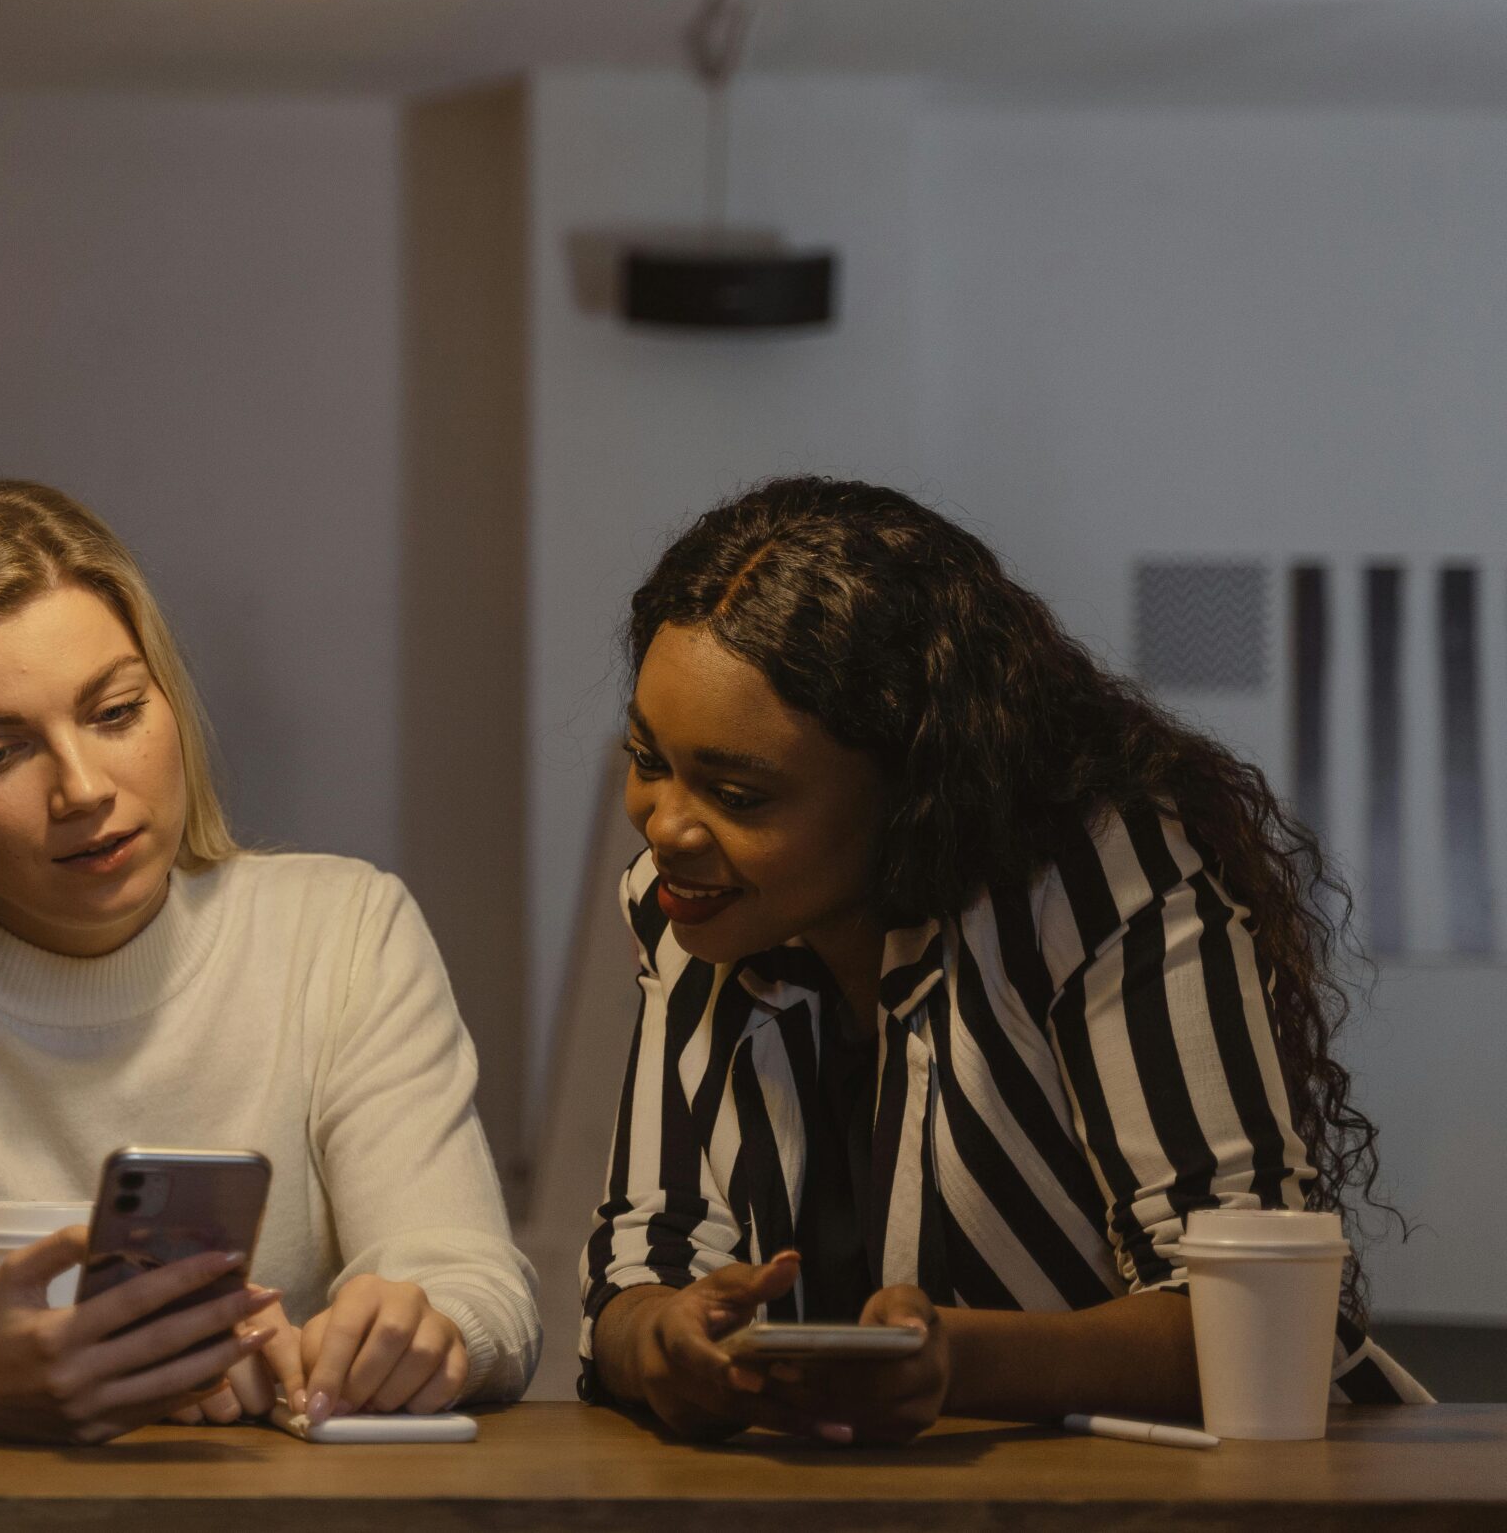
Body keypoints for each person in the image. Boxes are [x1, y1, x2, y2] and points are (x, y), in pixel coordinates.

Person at [0, 478, 540, 1442]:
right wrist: (35, 1352)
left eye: (116, 711)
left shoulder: (341, 930)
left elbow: (473, 1278)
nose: (83, 788)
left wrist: (426, 1327)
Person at [580, 476, 1428, 1445]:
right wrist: (661, 1339)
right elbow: (642, 1260)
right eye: (649, 761)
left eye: (738, 793)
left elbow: (1258, 1321)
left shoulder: (1100, 886)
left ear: (910, 788)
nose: (666, 828)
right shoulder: (687, 907)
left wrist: (959, 1365)